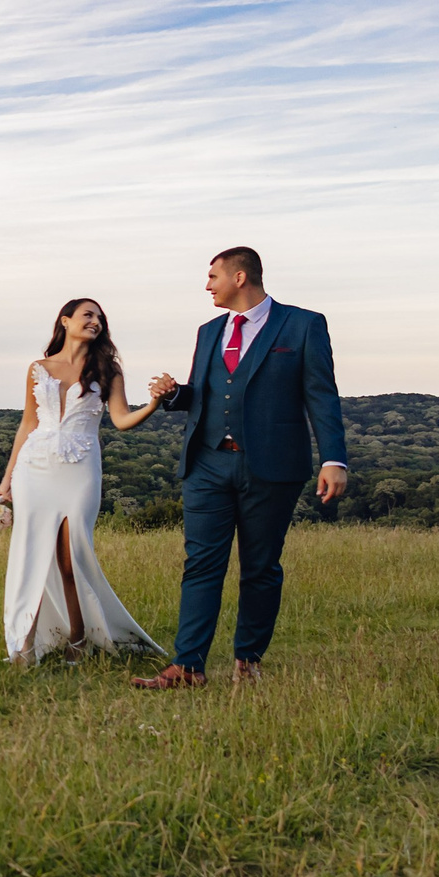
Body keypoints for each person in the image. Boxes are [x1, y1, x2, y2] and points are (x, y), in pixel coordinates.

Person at [132, 247, 347, 689]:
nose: (207, 285)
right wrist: (174, 395)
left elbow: (322, 396)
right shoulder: (209, 331)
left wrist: (333, 458)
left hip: (271, 466)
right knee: (200, 565)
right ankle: (187, 667)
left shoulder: (304, 325)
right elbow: (207, 395)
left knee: (261, 567)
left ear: (241, 277)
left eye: (213, 276)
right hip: (207, 464)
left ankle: (248, 660)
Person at [0, 298, 166, 663]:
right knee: (32, 554)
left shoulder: (108, 369)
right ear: (66, 320)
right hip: (34, 467)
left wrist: (152, 404)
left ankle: (79, 639)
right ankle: (24, 645)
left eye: (100, 318)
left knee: (72, 558)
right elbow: (28, 423)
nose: (96, 322)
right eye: (88, 315)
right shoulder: (38, 368)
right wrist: (8, 477)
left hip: (81, 468)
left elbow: (121, 420)